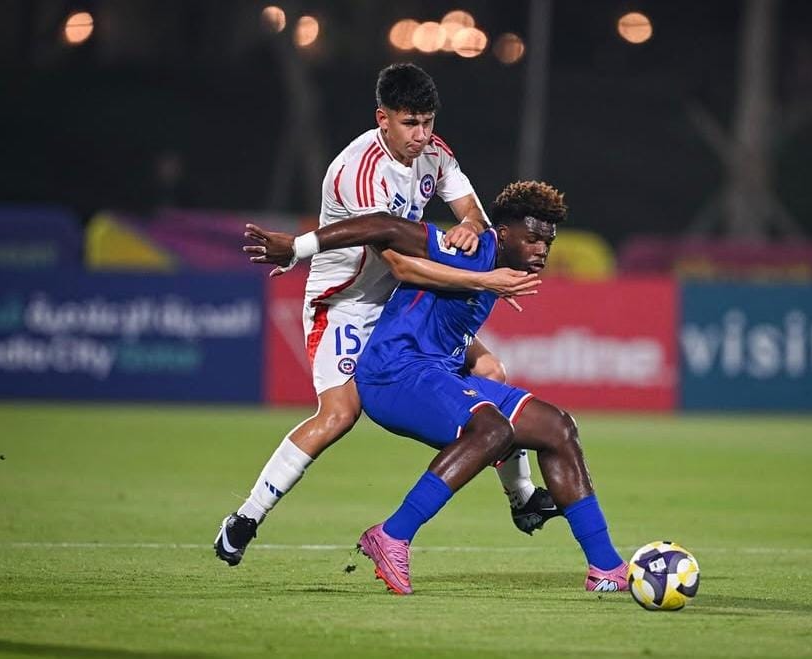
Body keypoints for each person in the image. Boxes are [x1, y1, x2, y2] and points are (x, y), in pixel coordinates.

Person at [215, 63, 560, 567]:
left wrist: (467, 224)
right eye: (410, 124)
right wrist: (485, 280)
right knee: (338, 415)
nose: (422, 136)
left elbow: (476, 214)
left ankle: (522, 498)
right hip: (347, 304)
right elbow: (400, 262)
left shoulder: (436, 154)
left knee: (491, 370)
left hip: (399, 301)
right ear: (383, 118)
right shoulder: (359, 173)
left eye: (427, 123)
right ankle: (246, 517)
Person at [243, 181, 629, 594]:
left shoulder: (500, 270)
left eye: (547, 242)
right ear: (502, 234)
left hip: (437, 374)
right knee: (492, 430)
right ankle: (392, 535)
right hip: (393, 374)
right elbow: (381, 225)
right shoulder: (466, 248)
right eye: (532, 239)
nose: (541, 251)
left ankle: (606, 567)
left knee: (558, 428)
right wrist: (299, 248)